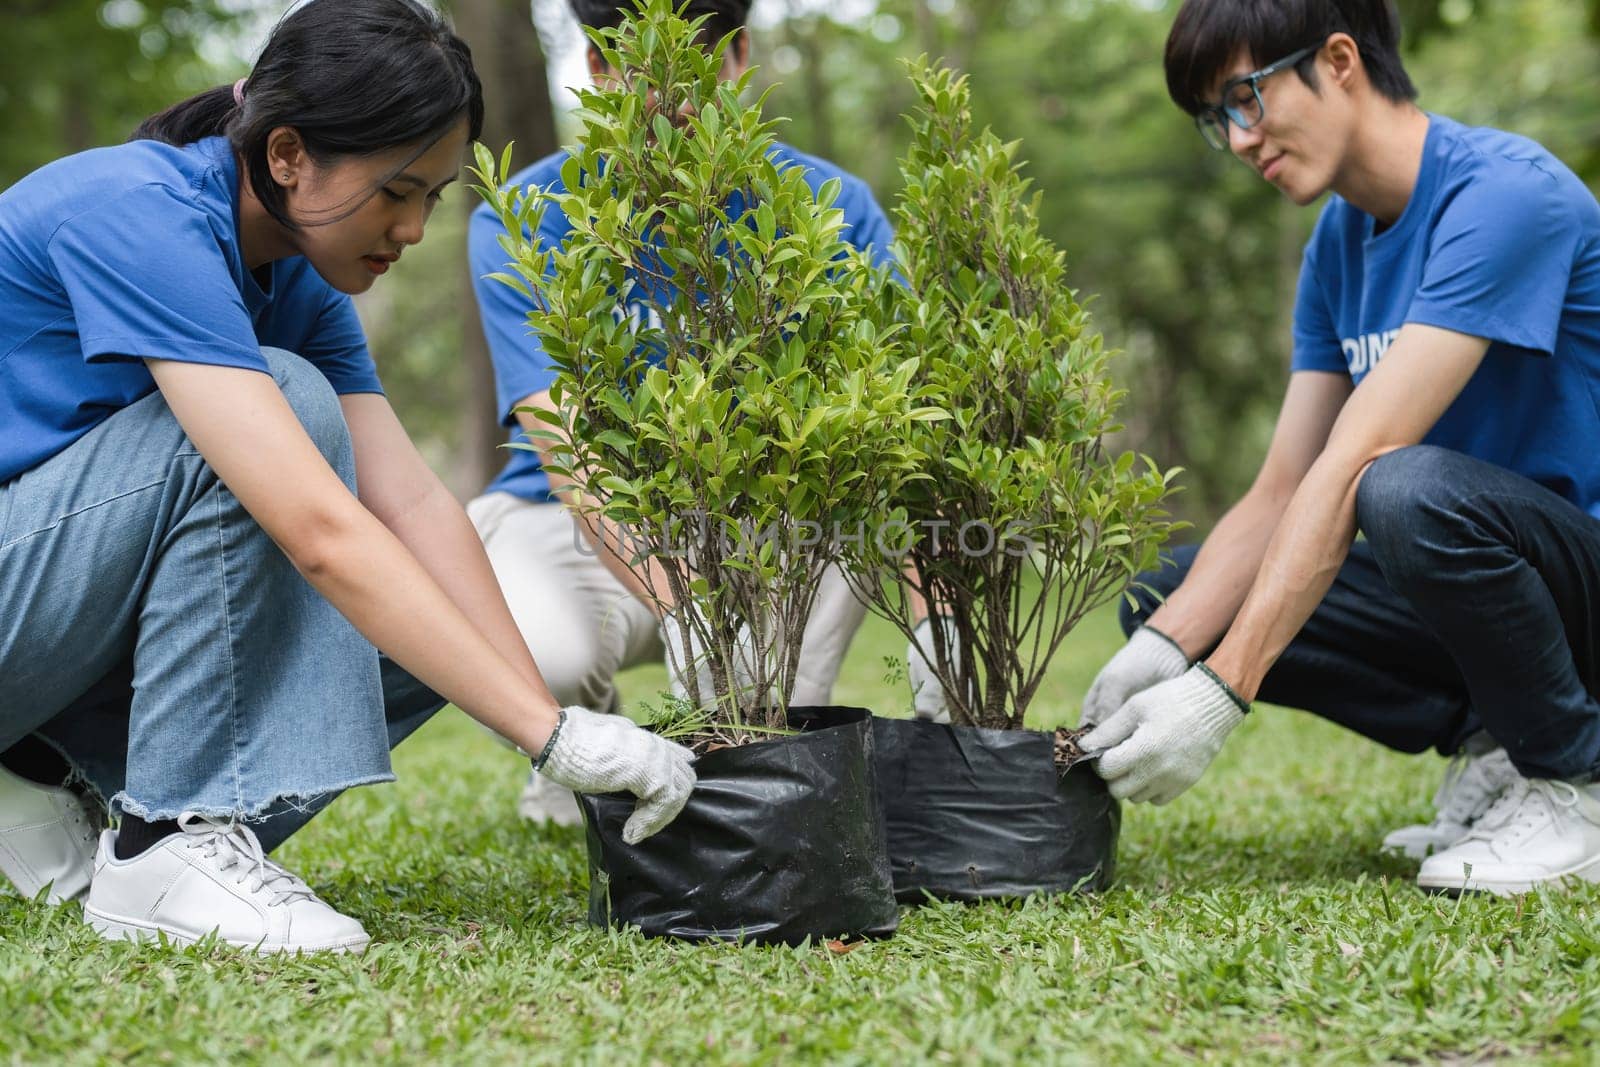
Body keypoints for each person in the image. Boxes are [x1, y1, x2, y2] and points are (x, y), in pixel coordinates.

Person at [0, 0, 694, 954]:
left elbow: (412, 505)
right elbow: (319, 528)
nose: (411, 227)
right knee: (285, 400)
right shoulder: (138, 213)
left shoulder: (299, 277)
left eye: (433, 198)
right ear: (287, 155)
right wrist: (548, 736)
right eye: (396, 191)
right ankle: (168, 839)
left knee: (431, 625)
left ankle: (64, 785)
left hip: (51, 622)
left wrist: (550, 715)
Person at [1081, 0, 1600, 896]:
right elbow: (1285, 483)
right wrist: (1167, 647)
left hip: (1581, 577)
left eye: (1245, 97)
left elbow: (1360, 457)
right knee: (1171, 591)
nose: (1239, 139)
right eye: (1216, 119)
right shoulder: (1338, 245)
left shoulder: (1507, 196)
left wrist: (1220, 691)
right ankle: (1499, 749)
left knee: (1399, 488)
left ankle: (1576, 782)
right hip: (1497, 587)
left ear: (1340, 59)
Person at [468, 0, 906, 822]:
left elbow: (890, 427)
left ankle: (774, 752)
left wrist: (939, 642)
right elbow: (570, 456)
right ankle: (586, 743)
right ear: (597, 71)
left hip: (765, 523)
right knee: (542, 653)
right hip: (565, 522)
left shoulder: (832, 208)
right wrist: (689, 603)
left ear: (739, 57)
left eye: (695, 81)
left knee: (853, 521)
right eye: (642, 80)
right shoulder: (526, 216)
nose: (672, 123)